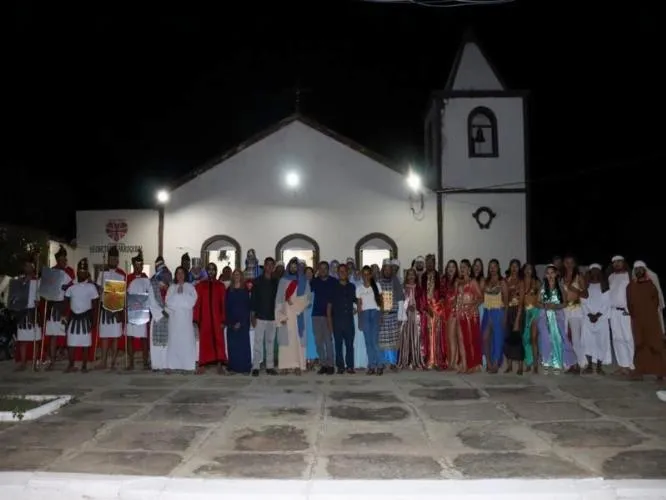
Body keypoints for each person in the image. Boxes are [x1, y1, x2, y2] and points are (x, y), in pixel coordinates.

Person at [627, 261, 666, 381]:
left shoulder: (651, 285)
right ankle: (640, 371)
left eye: (641, 269)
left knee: (655, 344)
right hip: (637, 320)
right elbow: (629, 304)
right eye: (636, 269)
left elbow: (656, 302)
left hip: (651, 320)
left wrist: (650, 314)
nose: (638, 271)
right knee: (639, 344)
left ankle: (661, 371)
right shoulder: (630, 286)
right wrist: (635, 316)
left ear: (645, 270)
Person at [537, 264, 576, 374]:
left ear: (556, 274)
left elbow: (564, 303)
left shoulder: (561, 287)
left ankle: (557, 362)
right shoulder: (543, 287)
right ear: (545, 275)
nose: (550, 275)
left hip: (557, 315)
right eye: (548, 273)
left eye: (552, 273)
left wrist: (556, 306)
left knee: (557, 337)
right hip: (544, 315)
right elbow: (537, 302)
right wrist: (545, 306)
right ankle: (546, 361)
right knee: (545, 337)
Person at [275, 257, 311, 374]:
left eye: (296, 266)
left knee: (297, 341)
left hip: (298, 314)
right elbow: (279, 300)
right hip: (286, 313)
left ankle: (297, 366)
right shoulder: (283, 280)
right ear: (288, 267)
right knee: (285, 341)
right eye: (292, 266)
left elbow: (308, 298)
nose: (294, 268)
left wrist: (296, 306)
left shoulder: (303, 280)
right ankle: (285, 366)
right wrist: (280, 315)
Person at [63, 258, 99, 373]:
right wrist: (64, 316)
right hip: (73, 318)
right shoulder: (71, 287)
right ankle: (71, 364)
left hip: (85, 318)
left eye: (84, 271)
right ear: (77, 271)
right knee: (71, 343)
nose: (82, 273)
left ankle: (84, 365)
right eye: (80, 271)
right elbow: (66, 302)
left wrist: (94, 319)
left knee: (85, 343)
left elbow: (95, 304)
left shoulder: (91, 287)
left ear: (87, 272)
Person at [43, 245, 75, 369]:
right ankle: (52, 361)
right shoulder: (51, 272)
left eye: (65, 260)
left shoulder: (69, 272)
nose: (64, 262)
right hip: (54, 307)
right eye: (61, 260)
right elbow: (45, 291)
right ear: (57, 260)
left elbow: (73, 286)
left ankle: (69, 362)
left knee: (68, 333)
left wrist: (68, 288)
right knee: (53, 334)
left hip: (66, 306)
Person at [96, 245, 126, 370]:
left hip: (116, 309)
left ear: (117, 260)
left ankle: (113, 361)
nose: (113, 261)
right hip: (104, 308)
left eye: (115, 259)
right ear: (108, 260)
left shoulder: (121, 275)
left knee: (115, 335)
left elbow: (123, 293)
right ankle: (103, 361)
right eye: (111, 258)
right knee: (104, 335)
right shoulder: (102, 274)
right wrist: (101, 290)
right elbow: (98, 291)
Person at [194, 262, 227, 374]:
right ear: (206, 271)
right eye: (209, 269)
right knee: (205, 342)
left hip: (217, 318)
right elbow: (198, 303)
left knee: (219, 341)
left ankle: (219, 364)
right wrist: (196, 319)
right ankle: (203, 364)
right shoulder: (200, 286)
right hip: (205, 318)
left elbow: (223, 304)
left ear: (216, 271)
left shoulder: (221, 286)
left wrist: (223, 320)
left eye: (213, 269)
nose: (211, 271)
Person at [165, 266, 198, 372]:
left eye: (182, 273)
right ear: (175, 275)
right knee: (174, 342)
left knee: (186, 342)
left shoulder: (190, 287)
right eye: (178, 273)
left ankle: (187, 365)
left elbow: (192, 302)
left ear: (185, 275)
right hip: (174, 321)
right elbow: (168, 303)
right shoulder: (171, 288)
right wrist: (179, 297)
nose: (180, 275)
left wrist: (180, 296)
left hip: (186, 321)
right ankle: (172, 365)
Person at [250, 257, 279, 376]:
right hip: (260, 316)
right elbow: (253, 299)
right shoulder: (257, 281)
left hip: (272, 317)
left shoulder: (276, 281)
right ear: (265, 266)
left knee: (270, 342)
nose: (270, 267)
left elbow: (279, 299)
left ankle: (270, 366)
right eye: (268, 265)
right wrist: (252, 316)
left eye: (272, 265)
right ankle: (256, 366)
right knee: (258, 342)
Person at [581, 264, 611, 374]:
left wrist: (597, 315)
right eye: (592, 270)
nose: (594, 272)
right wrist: (589, 315)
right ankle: (589, 366)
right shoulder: (585, 286)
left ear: (600, 272)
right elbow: (583, 302)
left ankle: (599, 366)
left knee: (601, 342)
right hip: (588, 319)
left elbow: (606, 303)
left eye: (596, 270)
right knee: (587, 342)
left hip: (601, 319)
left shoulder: (605, 286)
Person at [455, 259, 483, 373]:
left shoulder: (473, 282)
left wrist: (473, 306)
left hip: (471, 314)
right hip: (460, 313)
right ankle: (464, 364)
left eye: (464, 267)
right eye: (461, 267)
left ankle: (474, 364)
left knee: (471, 339)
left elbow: (481, 297)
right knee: (461, 339)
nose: (462, 269)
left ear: (469, 269)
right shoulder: (459, 283)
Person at [327, 263, 356, 374]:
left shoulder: (352, 287)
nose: (343, 273)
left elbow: (356, 300)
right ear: (337, 273)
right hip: (337, 321)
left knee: (349, 345)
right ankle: (340, 366)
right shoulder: (333, 287)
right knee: (338, 345)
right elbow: (329, 306)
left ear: (347, 273)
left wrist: (357, 308)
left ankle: (350, 366)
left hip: (349, 320)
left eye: (344, 271)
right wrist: (330, 323)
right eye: (340, 271)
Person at [124, 250, 150, 370]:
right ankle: (131, 362)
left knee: (143, 337)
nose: (138, 267)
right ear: (133, 265)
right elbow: (124, 295)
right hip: (131, 311)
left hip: (142, 311)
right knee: (130, 336)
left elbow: (149, 294)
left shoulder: (146, 278)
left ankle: (145, 361)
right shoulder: (128, 278)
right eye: (136, 265)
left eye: (140, 265)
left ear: (142, 265)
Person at [561, 254, 587, 374]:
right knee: (565, 337)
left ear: (574, 264)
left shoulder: (578, 276)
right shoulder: (561, 278)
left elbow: (586, 294)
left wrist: (576, 290)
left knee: (576, 338)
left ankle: (581, 363)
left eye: (571, 262)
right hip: (565, 310)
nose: (569, 264)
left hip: (576, 309)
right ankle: (569, 363)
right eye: (566, 262)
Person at [608, 255, 634, 375]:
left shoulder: (629, 276)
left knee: (628, 338)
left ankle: (632, 365)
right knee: (617, 338)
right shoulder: (611, 277)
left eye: (619, 262)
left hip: (626, 311)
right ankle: (622, 365)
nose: (617, 264)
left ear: (624, 263)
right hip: (613, 311)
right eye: (614, 262)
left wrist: (631, 309)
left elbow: (633, 294)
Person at [310, 261, 337, 374]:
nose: (323, 270)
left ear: (328, 269)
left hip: (329, 316)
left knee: (328, 341)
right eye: (320, 268)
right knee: (318, 342)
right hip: (316, 315)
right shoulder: (314, 281)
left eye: (325, 268)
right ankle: (323, 364)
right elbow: (308, 294)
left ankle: (330, 365)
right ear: (318, 270)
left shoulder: (334, 282)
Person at [14, 256, 40, 371]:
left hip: (33, 312)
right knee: (23, 339)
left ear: (33, 267)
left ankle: (35, 360)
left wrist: (38, 302)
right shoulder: (19, 281)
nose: (27, 268)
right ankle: (23, 362)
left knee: (36, 338)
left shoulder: (38, 281)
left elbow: (41, 296)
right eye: (25, 266)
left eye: (29, 266)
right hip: (22, 312)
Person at [378, 259, 404, 369]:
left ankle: (393, 363)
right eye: (386, 269)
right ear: (383, 269)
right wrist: (379, 314)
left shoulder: (396, 282)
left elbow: (400, 300)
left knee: (393, 340)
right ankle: (383, 362)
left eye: (389, 269)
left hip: (393, 315)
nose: (388, 271)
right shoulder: (378, 282)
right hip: (382, 316)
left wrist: (400, 316)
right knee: (383, 340)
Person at [357, 265, 383, 374]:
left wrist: (381, 316)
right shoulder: (359, 289)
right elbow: (359, 305)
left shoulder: (377, 285)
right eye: (364, 274)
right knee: (368, 342)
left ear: (371, 275)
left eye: (368, 274)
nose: (366, 276)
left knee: (375, 341)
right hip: (365, 314)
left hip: (375, 313)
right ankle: (371, 365)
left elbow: (382, 302)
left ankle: (379, 365)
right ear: (362, 275)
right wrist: (360, 321)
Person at [420, 254, 445, 370]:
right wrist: (425, 307)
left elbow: (443, 294)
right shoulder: (423, 277)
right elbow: (421, 294)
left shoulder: (439, 276)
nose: (429, 264)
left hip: (437, 310)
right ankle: (429, 359)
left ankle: (438, 360)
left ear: (434, 263)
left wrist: (436, 307)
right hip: (427, 311)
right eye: (427, 262)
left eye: (431, 262)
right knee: (427, 335)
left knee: (437, 335)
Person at [225, 269, 252, 374]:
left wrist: (241, 322)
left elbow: (247, 307)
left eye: (238, 274)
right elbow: (226, 307)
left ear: (241, 276)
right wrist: (230, 322)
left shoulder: (245, 290)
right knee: (232, 346)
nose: (236, 276)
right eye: (235, 274)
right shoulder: (228, 290)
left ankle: (245, 368)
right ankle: (233, 367)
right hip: (231, 322)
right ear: (232, 276)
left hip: (243, 322)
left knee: (243, 346)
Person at [482, 259, 506, 373]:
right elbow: (482, 297)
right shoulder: (486, 281)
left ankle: (496, 364)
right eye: (490, 267)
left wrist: (504, 316)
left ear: (498, 268)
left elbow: (506, 300)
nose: (492, 269)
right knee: (485, 338)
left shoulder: (502, 282)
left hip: (498, 311)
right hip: (487, 311)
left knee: (497, 338)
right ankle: (489, 363)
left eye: (494, 266)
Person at [148, 256, 171, 370]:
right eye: (158, 266)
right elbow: (151, 301)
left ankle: (166, 364)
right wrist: (162, 313)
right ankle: (157, 365)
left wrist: (168, 311)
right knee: (157, 343)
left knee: (167, 342)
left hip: (169, 317)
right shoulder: (152, 282)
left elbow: (173, 299)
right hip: (157, 318)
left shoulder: (170, 283)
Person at [398, 267, 424, 370]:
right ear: (406, 276)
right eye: (409, 274)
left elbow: (422, 301)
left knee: (416, 336)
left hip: (416, 314)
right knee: (405, 336)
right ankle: (405, 359)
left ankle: (415, 359)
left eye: (413, 274)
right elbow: (401, 301)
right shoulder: (403, 287)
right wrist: (407, 306)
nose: (411, 276)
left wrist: (416, 306)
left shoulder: (419, 288)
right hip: (406, 314)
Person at [504, 259, 524, 374]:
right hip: (508, 310)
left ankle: (520, 366)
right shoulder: (506, 280)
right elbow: (505, 299)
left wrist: (517, 319)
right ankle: (509, 365)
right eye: (512, 266)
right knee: (508, 338)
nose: (514, 268)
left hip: (518, 310)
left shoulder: (520, 282)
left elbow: (521, 301)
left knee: (518, 338)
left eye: (516, 266)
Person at [520, 263, 541, 373]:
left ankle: (536, 365)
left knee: (533, 338)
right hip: (525, 312)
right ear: (523, 271)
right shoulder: (521, 282)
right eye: (526, 269)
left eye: (530, 269)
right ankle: (528, 362)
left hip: (535, 311)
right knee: (525, 339)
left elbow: (541, 298)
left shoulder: (537, 282)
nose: (528, 271)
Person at [440, 259, 458, 371]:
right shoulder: (444, 281)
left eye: (453, 267)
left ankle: (453, 362)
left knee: (452, 337)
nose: (451, 269)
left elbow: (457, 296)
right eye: (449, 267)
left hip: (453, 310)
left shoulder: (457, 281)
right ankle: (450, 360)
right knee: (447, 337)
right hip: (445, 310)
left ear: (456, 269)